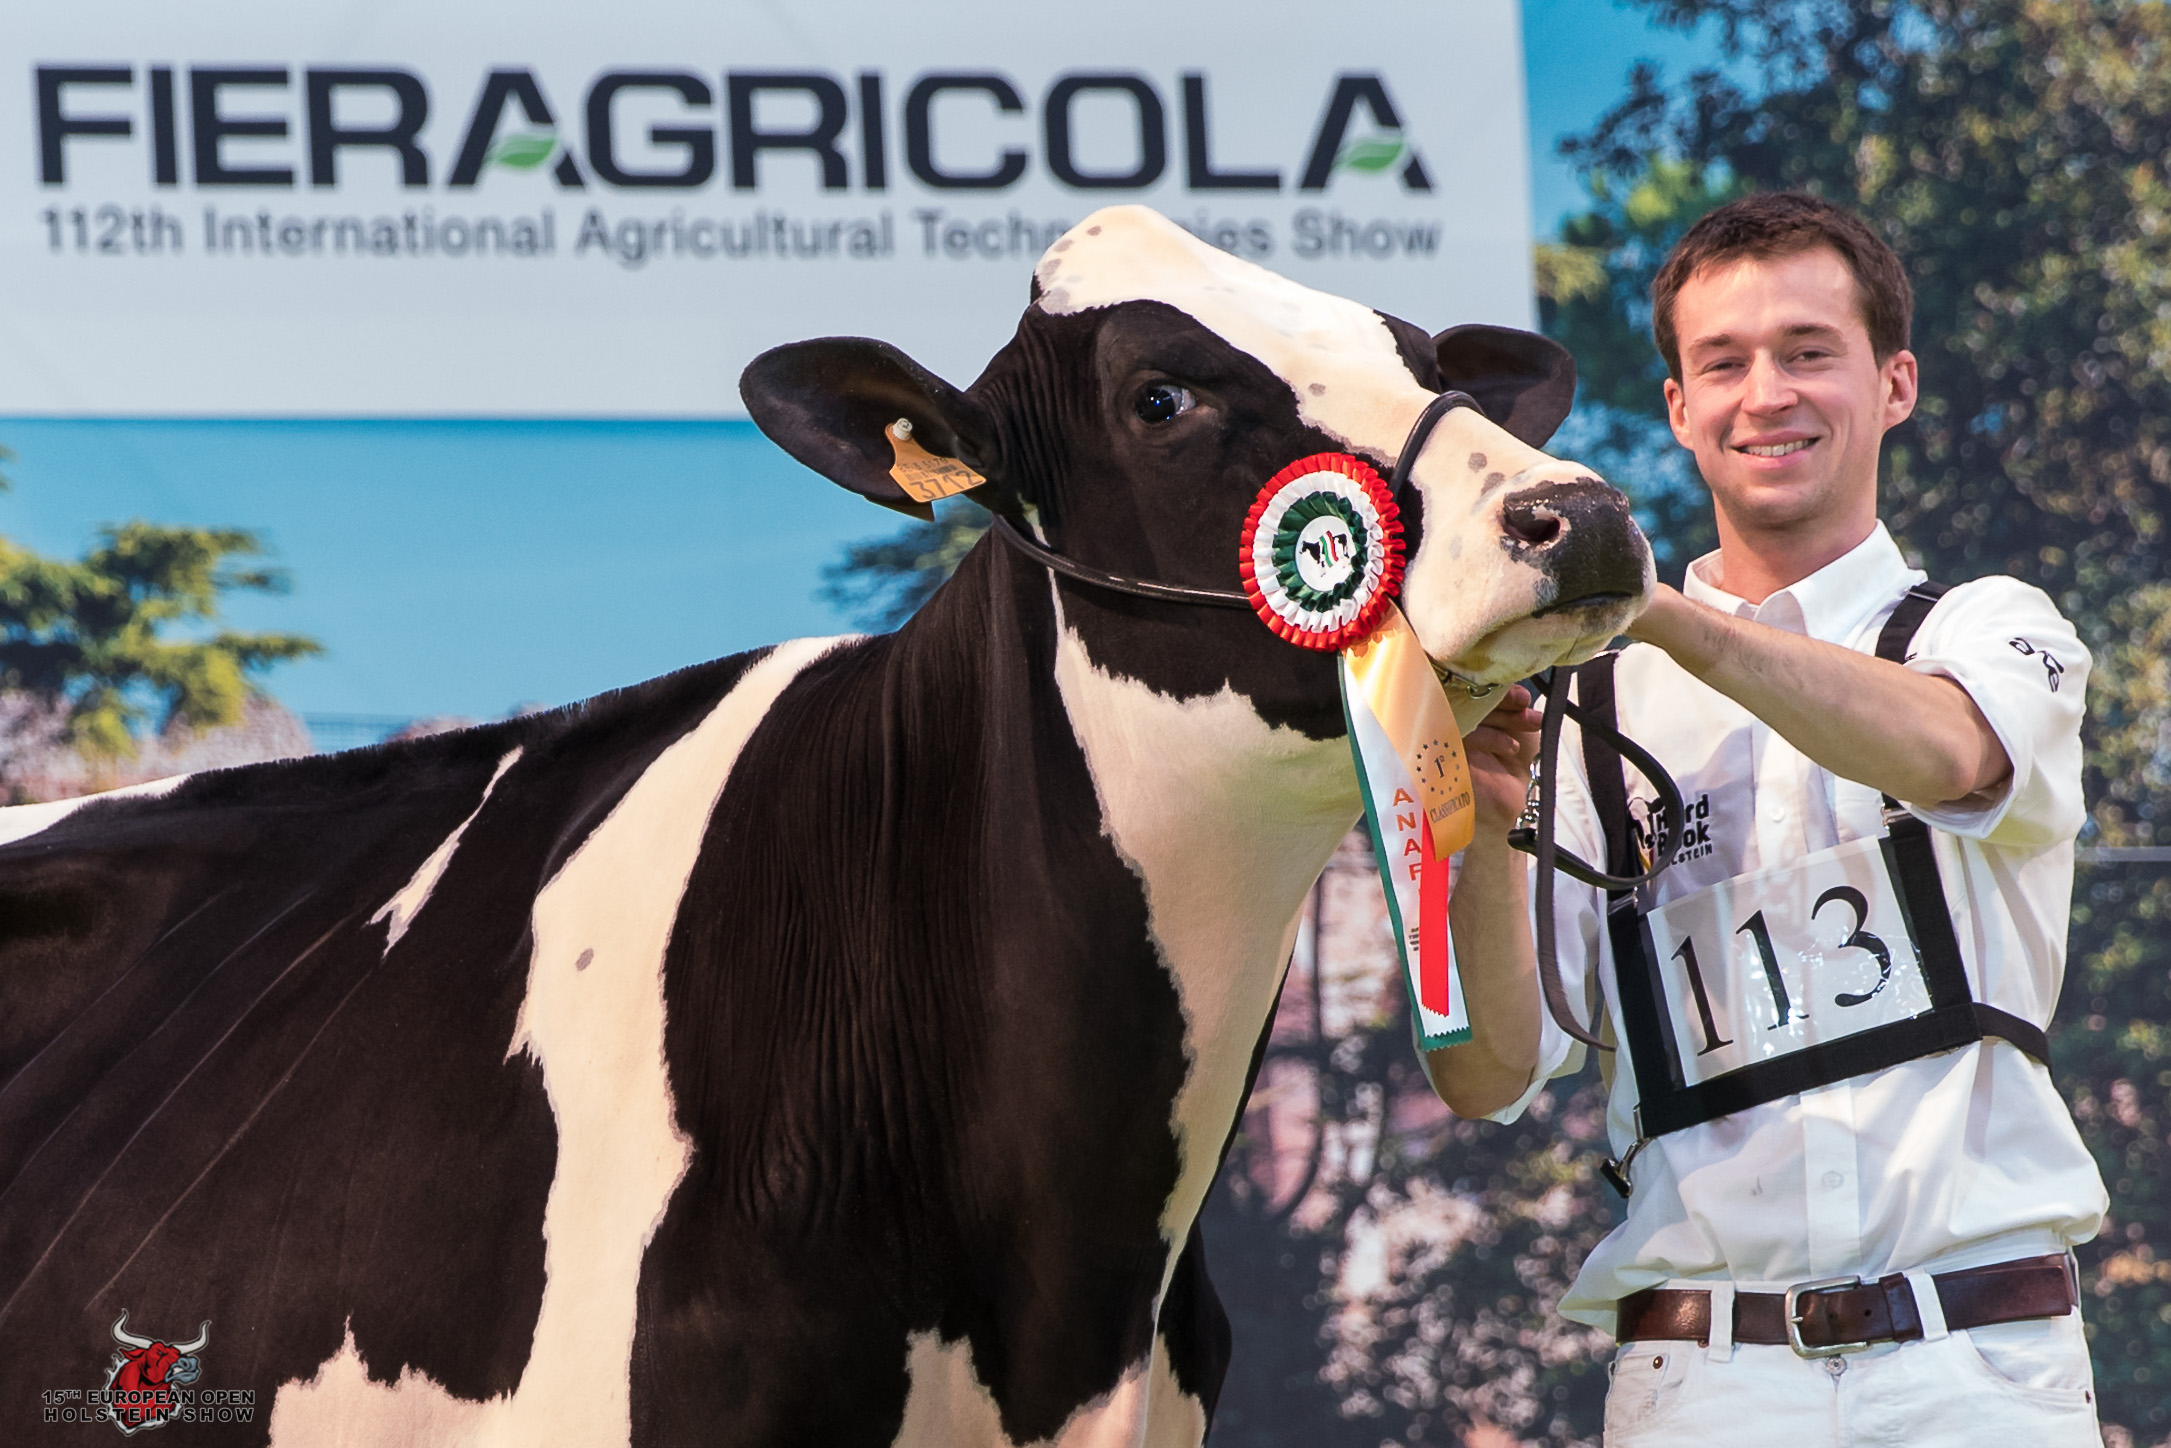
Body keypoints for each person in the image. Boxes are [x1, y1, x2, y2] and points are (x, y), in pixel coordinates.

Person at [1422, 192, 2107, 1445]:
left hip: (1977, 1365)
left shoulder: (1986, 625)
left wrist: (1656, 612)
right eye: (1722, 363)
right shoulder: (1582, 704)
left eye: (1806, 351)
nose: (1765, 395)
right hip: (1702, 1378)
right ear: (1677, 407)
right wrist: (1481, 832)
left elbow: (1949, 751)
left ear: (1892, 383)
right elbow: (1486, 1074)